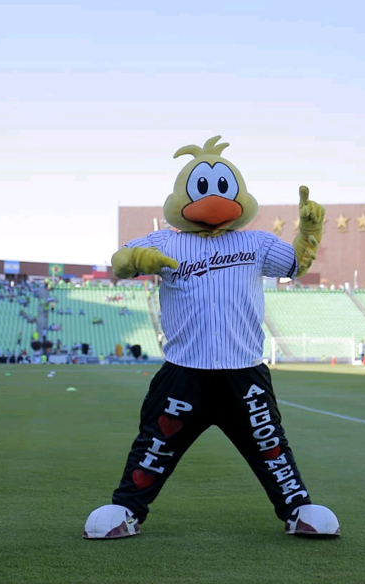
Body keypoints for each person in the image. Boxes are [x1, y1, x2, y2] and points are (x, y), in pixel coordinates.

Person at [85, 136, 338, 539]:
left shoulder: (255, 242)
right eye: (202, 187)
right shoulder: (164, 241)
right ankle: (127, 509)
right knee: (155, 444)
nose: (213, 198)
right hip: (184, 372)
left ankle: (296, 508)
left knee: (270, 444)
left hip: (244, 373)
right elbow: (120, 262)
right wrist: (136, 259)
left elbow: (295, 264)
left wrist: (309, 229)